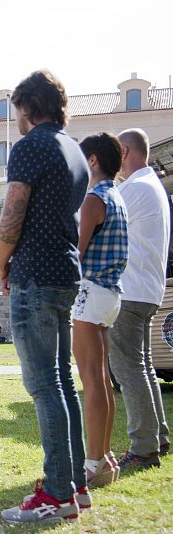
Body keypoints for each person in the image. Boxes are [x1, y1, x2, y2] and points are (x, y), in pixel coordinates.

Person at [0, 71, 89, 525]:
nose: (16, 118)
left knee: (44, 385)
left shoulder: (30, 146)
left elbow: (12, 213)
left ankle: (56, 493)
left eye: (17, 109)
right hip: (65, 274)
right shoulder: (75, 150)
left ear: (28, 107)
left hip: (34, 274)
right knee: (63, 383)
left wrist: (2, 262)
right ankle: (75, 485)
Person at [109, 128, 171, 470]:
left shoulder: (133, 189)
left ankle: (144, 448)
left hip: (130, 291)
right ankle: (157, 438)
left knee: (128, 369)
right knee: (142, 367)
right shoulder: (153, 186)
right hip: (147, 291)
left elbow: (102, 226)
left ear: (124, 151)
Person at [72, 133, 129, 486]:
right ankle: (104, 458)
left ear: (92, 160)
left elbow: (75, 253)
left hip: (91, 292)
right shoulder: (117, 196)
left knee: (91, 379)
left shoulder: (94, 199)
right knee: (101, 379)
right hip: (110, 294)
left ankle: (93, 463)